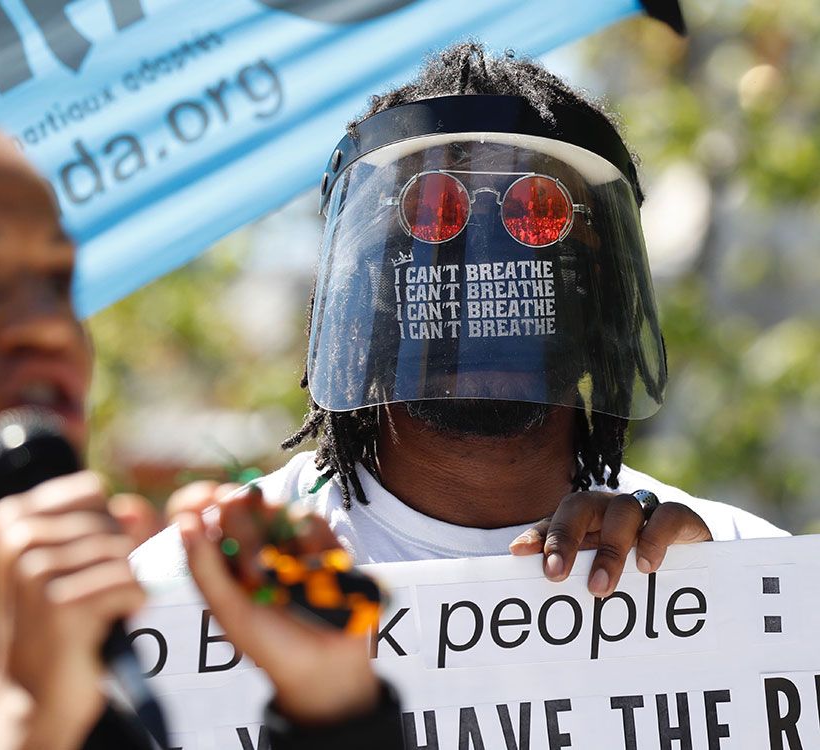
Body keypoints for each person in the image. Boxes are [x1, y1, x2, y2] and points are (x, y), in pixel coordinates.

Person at [0, 105, 403, 749]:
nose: (47, 325)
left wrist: (332, 706)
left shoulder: (88, 710)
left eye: (57, 280)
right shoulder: (45, 704)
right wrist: (21, 720)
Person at [132, 44, 787, 601]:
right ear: (360, 286)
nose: (481, 263)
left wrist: (716, 596)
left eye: (537, 217)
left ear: (606, 289)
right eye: (432, 219)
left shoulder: (738, 566)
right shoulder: (198, 593)